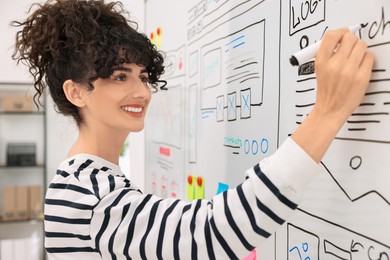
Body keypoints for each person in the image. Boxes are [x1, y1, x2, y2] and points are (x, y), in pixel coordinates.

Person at [12, 0, 374, 259]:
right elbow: (214, 232)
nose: (141, 92)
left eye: (143, 76)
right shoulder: (91, 193)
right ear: (76, 92)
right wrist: (327, 112)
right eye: (119, 77)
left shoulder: (86, 177)